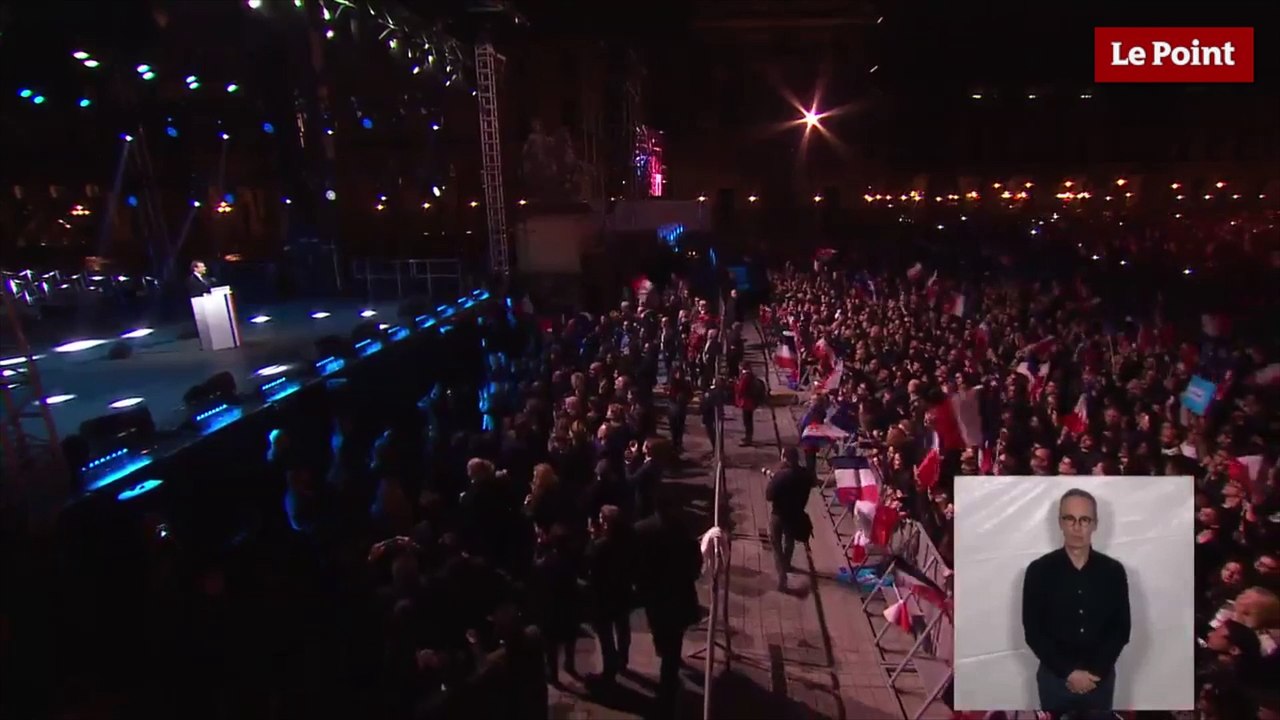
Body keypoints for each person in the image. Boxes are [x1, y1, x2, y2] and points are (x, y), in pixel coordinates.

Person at [1022, 488, 1131, 715]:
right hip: (1054, 680)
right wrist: (1069, 672)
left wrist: (1095, 672)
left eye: (1084, 520)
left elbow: (1121, 629)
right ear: (1060, 522)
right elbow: (1033, 631)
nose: (1077, 527)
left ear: (1095, 524)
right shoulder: (1039, 570)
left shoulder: (1113, 571)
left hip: (1099, 681)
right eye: (1069, 519)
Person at [764, 447, 815, 591]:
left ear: (785, 458)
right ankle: (787, 563)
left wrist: (772, 480)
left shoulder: (781, 476)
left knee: (775, 543)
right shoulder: (805, 476)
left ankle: (782, 576)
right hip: (796, 514)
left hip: (779, 514)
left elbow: (769, 496)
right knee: (789, 540)